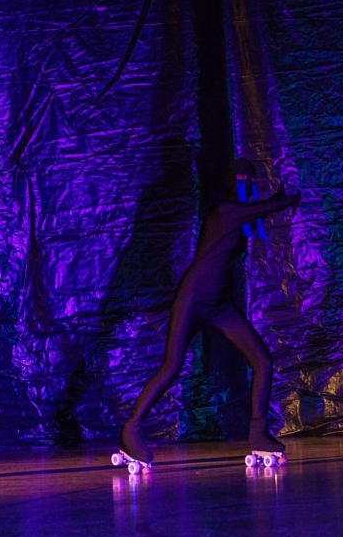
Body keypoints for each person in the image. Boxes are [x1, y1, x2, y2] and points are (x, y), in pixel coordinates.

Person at [115, 159, 300, 472]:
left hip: (220, 305)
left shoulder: (243, 215)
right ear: (232, 182)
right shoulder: (223, 211)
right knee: (171, 366)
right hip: (192, 299)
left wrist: (277, 201)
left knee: (262, 361)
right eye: (241, 180)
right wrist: (281, 200)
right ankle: (130, 430)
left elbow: (259, 211)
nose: (246, 186)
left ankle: (258, 434)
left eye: (250, 181)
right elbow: (262, 207)